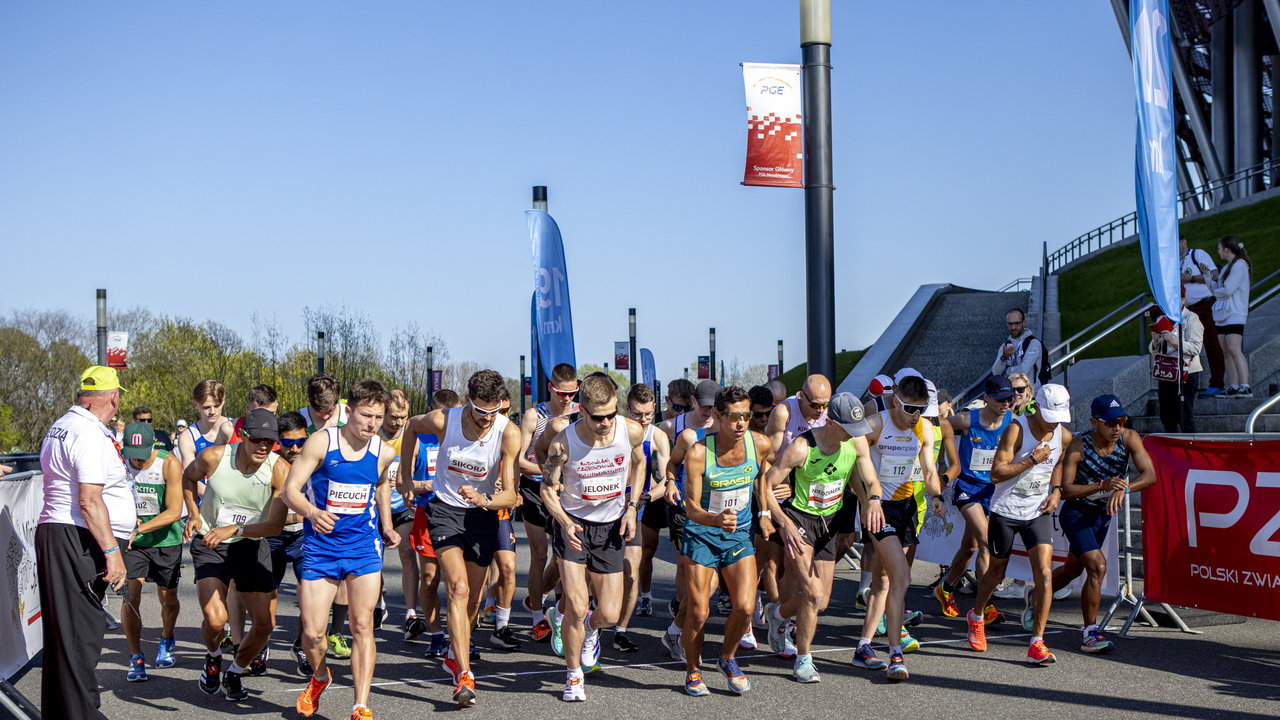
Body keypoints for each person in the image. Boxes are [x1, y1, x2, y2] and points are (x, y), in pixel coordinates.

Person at [285, 380, 399, 720]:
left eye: (379, 417)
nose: (372, 424)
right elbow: (290, 490)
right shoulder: (322, 441)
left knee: (362, 626)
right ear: (347, 411)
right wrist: (312, 512)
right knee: (312, 632)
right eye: (366, 415)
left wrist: (387, 524)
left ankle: (360, 705)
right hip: (321, 549)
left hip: (363, 547)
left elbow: (380, 484)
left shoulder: (384, 451)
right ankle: (320, 677)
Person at [415, 370, 521, 707]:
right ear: (469, 401)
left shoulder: (509, 433)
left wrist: (484, 500)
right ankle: (464, 673)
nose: (488, 419)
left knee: (473, 599)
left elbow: (511, 496)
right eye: (481, 411)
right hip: (445, 509)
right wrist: (405, 477)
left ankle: (454, 649)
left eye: (495, 411)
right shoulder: (443, 419)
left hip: (482, 514)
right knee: (457, 588)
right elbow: (410, 428)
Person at [36, 366, 136, 719]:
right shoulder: (90, 434)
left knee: (67, 637)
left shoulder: (64, 424)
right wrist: (113, 553)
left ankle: (63, 712)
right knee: (81, 638)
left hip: (63, 533)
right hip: (76, 536)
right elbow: (90, 500)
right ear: (113, 397)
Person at [541, 374, 647, 701]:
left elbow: (641, 464)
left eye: (611, 415)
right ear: (582, 410)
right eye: (598, 416)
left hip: (612, 525)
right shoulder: (563, 442)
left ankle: (590, 631)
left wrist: (631, 508)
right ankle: (573, 676)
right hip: (573, 523)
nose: (605, 423)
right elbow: (547, 487)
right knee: (575, 604)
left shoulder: (630, 430)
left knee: (610, 614)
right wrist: (563, 520)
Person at [762, 392, 879, 683]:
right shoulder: (802, 447)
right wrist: (783, 523)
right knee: (812, 593)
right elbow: (766, 484)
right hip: (800, 520)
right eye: (848, 429)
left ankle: (777, 614)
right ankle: (804, 660)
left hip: (830, 522)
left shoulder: (856, 441)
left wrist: (872, 500)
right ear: (831, 421)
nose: (854, 435)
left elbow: (870, 479)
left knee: (820, 601)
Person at [182, 408, 289, 702]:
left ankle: (235, 671)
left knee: (265, 625)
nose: (263, 447)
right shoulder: (214, 457)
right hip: (211, 543)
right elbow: (188, 478)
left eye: (270, 442)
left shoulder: (278, 468)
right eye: (257, 440)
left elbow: (276, 525)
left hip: (250, 545)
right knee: (216, 621)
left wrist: (235, 529)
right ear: (242, 436)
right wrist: (193, 513)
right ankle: (214, 656)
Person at [966, 384, 1073, 665]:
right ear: (1035, 407)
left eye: (1059, 416)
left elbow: (1059, 461)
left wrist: (1057, 490)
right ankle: (976, 615)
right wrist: (1030, 460)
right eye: (1050, 415)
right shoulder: (1017, 429)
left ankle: (1037, 642)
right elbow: (996, 474)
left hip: (1037, 512)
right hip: (1006, 510)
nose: (1054, 422)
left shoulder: (1063, 433)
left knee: (1045, 575)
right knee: (996, 574)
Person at [677, 386, 772, 695]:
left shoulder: (760, 444)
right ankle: (693, 670)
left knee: (745, 608)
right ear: (717, 416)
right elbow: (690, 508)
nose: (741, 423)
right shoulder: (699, 453)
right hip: (702, 535)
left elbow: (762, 480)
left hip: (738, 535)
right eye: (733, 417)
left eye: (746, 415)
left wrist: (767, 512)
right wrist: (715, 518)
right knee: (700, 611)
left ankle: (727, 659)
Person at [853, 374, 942, 681]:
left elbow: (929, 471)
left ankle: (863, 646)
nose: (915, 415)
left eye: (921, 409)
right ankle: (895, 654)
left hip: (905, 509)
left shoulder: (925, 429)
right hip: (879, 510)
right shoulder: (876, 425)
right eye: (909, 408)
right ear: (894, 401)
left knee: (883, 582)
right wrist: (867, 500)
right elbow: (854, 465)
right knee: (901, 577)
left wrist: (937, 496)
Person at [1052, 395, 1156, 654]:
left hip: (1102, 515)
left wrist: (1125, 489)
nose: (1117, 427)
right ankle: (1090, 633)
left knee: (1073, 570)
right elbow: (1066, 490)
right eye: (1111, 422)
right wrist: (1101, 485)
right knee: (1098, 566)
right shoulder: (1079, 445)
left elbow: (1150, 475)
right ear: (1095, 422)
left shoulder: (1129, 438)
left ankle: (1036, 596)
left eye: (1121, 420)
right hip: (1076, 514)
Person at [935, 375, 1015, 619]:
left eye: (1010, 399)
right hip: (969, 489)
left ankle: (946, 588)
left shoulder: (1013, 421)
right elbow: (941, 424)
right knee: (985, 542)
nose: (1006, 404)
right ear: (986, 398)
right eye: (1000, 399)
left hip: (995, 490)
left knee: (969, 547)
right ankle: (986, 604)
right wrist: (943, 462)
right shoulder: (967, 419)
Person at [516, 362, 578, 641]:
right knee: (540, 554)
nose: (567, 399)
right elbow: (518, 459)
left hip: (566, 491)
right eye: (561, 394)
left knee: (562, 556)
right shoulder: (534, 415)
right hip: (534, 488)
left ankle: (550, 605)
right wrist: (547, 473)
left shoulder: (580, 414)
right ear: (551, 389)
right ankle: (537, 617)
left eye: (572, 393)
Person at [659, 379, 719, 659]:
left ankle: (678, 623)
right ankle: (683, 632)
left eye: (714, 407)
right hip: (683, 506)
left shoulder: (730, 430)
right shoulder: (677, 428)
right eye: (705, 406)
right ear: (694, 401)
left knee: (710, 584)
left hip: (714, 510)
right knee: (686, 568)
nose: (709, 412)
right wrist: (669, 483)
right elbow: (668, 463)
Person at [120, 421, 184, 681]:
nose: (136, 460)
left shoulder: (168, 463)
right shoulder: (118, 463)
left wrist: (142, 528)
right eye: (132, 454)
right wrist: (125, 520)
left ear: (153, 447)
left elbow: (174, 511)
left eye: (142, 454)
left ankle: (167, 638)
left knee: (167, 598)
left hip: (166, 541)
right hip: (134, 544)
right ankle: (136, 657)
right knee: (130, 596)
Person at [400, 389, 461, 659]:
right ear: (431, 412)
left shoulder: (466, 435)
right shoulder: (418, 436)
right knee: (430, 578)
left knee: (460, 582)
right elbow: (403, 482)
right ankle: (437, 635)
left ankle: (463, 637)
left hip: (461, 513)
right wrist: (421, 485)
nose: (446, 420)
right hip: (428, 512)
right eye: (441, 415)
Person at [614, 382, 670, 652]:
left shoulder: (656, 436)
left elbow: (667, 479)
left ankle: (621, 631)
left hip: (636, 506)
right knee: (594, 572)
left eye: (649, 414)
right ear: (627, 409)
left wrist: (645, 498)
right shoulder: (613, 429)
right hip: (604, 506)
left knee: (631, 571)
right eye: (638, 414)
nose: (644, 420)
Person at [270, 411, 314, 675]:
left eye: (300, 442)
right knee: (267, 596)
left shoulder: (316, 462)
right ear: (279, 442)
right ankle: (261, 643)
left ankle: (302, 645)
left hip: (304, 537)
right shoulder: (270, 464)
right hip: (272, 537)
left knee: (309, 595)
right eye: (288, 444)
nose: (295, 448)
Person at [377, 390, 415, 633]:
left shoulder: (410, 434)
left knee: (407, 551)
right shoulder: (371, 435)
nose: (399, 422)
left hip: (400, 506)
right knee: (373, 560)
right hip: (375, 506)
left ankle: (411, 613)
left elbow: (411, 471)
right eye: (394, 417)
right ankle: (378, 603)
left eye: (403, 417)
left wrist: (404, 484)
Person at [1180, 235, 1226, 396]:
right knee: (1191, 346)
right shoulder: (1174, 262)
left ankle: (1218, 383)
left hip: (1205, 305)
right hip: (1188, 309)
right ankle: (1189, 384)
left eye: (1177, 243)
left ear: (1184, 242)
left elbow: (1214, 274)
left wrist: (1191, 278)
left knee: (1212, 343)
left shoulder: (1196, 254)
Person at [1210, 234, 1253, 397]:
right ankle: (1233, 385)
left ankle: (1245, 385)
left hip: (1235, 313)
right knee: (1226, 351)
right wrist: (1211, 283)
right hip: (1222, 315)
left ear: (1226, 250)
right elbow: (1221, 289)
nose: (1218, 252)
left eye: (1219, 248)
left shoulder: (1240, 265)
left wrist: (1216, 291)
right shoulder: (1227, 268)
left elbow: (1227, 290)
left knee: (1234, 349)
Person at [1149, 310, 1203, 433]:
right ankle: (1173, 448)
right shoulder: (1162, 318)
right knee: (1166, 416)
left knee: (1184, 417)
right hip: (1166, 372)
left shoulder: (1191, 317)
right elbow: (1154, 350)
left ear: (1182, 299)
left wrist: (1174, 340)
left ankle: (1190, 448)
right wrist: (1155, 341)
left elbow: (1196, 347)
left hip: (1186, 372)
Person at [177, 379, 235, 471]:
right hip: (203, 484)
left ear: (223, 401)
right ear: (196, 405)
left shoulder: (236, 427)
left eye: (216, 406)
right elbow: (190, 478)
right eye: (206, 407)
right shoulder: (188, 437)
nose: (212, 412)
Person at [990, 309, 1045, 388]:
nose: (1013, 327)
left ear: (1024, 323)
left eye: (1016, 323)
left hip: (1029, 394)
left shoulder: (1033, 343)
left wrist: (1006, 371)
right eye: (1010, 324)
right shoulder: (1006, 346)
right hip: (1010, 394)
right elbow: (995, 372)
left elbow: (1024, 370)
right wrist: (1004, 358)